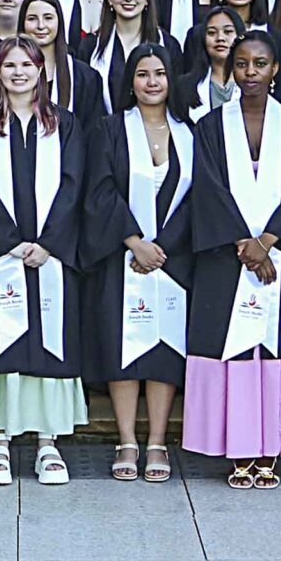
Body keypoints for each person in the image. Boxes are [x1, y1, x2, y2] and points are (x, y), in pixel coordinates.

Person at [184, 31, 281, 488]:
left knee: (278, 347)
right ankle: (239, 447)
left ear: (275, 69)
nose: (250, 73)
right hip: (227, 258)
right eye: (242, 64)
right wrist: (244, 243)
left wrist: (266, 241)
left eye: (260, 64)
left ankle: (273, 446)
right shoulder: (211, 127)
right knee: (234, 350)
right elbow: (208, 189)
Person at [0, 37, 89, 486]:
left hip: (51, 254)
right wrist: (10, 241)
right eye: (10, 65)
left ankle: (47, 440)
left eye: (27, 64)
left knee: (48, 340)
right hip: (0, 254)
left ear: (41, 70)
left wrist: (49, 242)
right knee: (3, 341)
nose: (19, 72)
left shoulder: (64, 124)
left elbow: (73, 184)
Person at [84, 44, 195, 484]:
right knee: (123, 345)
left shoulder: (189, 132)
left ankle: (158, 441)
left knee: (165, 348)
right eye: (143, 74)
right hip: (123, 256)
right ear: (130, 81)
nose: (152, 82)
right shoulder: (110, 129)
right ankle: (127, 439)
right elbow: (100, 189)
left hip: (173, 257)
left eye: (160, 73)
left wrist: (163, 246)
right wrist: (134, 242)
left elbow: (200, 195)